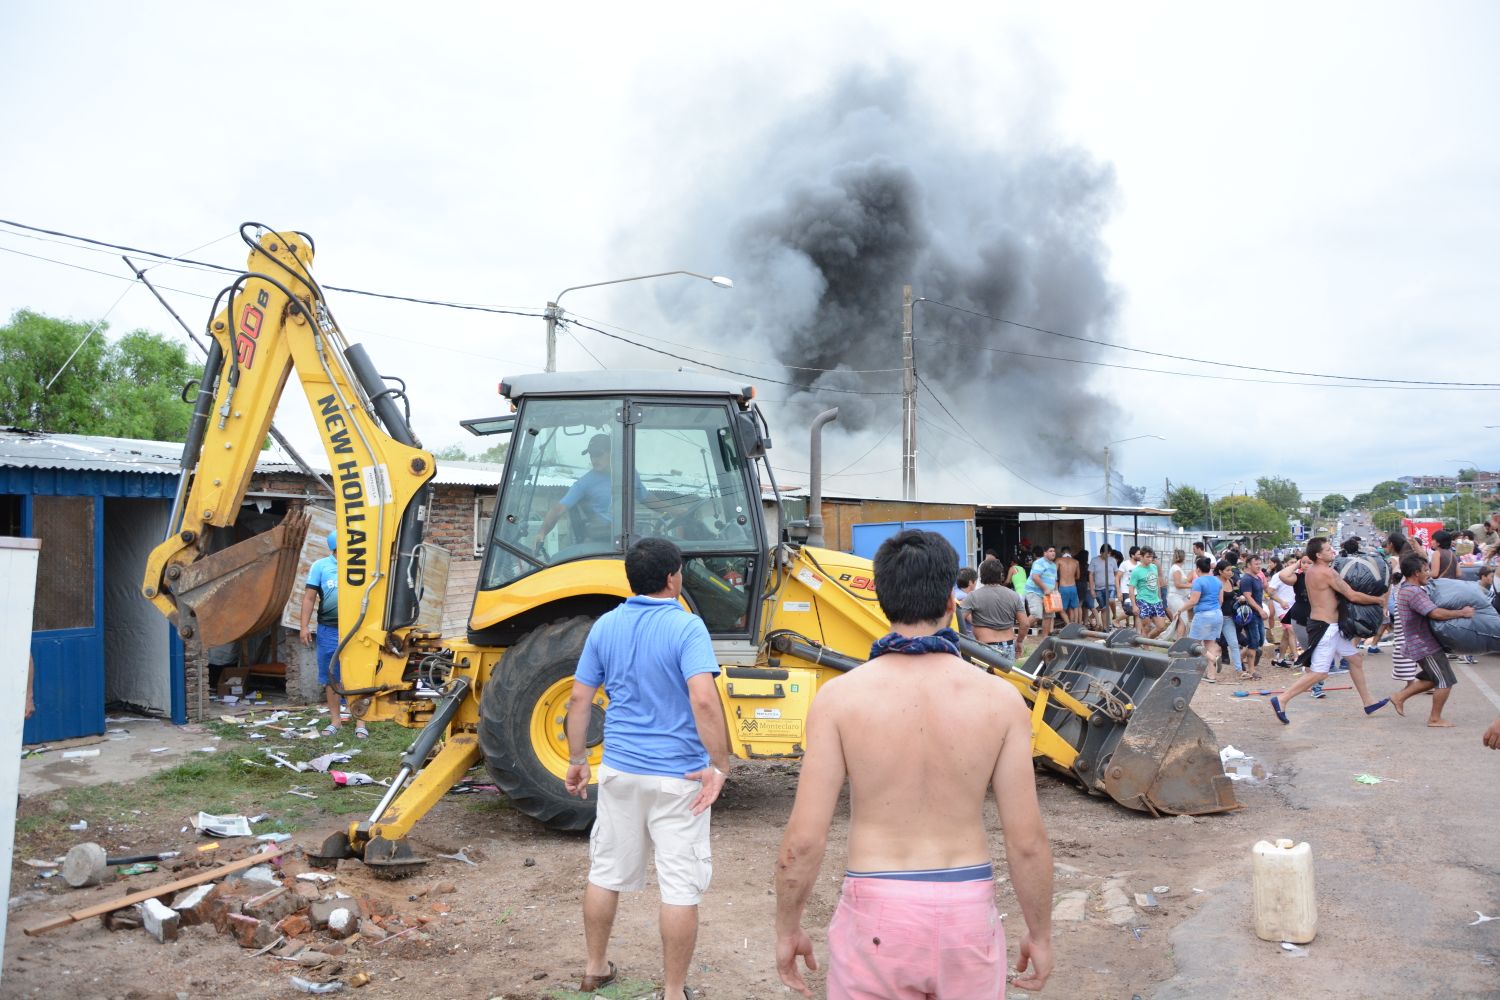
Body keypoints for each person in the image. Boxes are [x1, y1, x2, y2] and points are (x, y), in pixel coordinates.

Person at [774, 530, 1053, 999]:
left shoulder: (839, 699)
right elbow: (1026, 841)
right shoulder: (1001, 701)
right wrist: (1039, 934)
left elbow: (803, 840)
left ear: (882, 599)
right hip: (967, 913)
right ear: (951, 600)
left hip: (876, 914)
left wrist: (788, 929)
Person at [565, 537, 731, 1000]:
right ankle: (674, 992)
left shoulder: (606, 626)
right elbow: (702, 697)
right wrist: (719, 764)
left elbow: (580, 698)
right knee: (679, 886)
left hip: (619, 770)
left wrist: (578, 760)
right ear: (672, 578)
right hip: (680, 778)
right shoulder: (687, 627)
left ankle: (594, 968)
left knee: (605, 872)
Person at [1269, 538, 1389, 724]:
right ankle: (1282, 699)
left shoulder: (1312, 571)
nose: (1331, 551)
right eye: (1327, 549)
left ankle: (1368, 702)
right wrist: (1378, 600)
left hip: (1327, 625)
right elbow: (1352, 595)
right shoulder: (1326, 572)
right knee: (1319, 673)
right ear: (1318, 554)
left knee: (1355, 660)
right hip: (1326, 627)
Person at [532, 433, 667, 550]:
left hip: (628, 538)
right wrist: (542, 532)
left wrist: (674, 511)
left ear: (612, 453)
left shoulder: (629, 474)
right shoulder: (585, 482)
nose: (594, 459)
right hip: (601, 541)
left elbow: (646, 497)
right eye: (591, 455)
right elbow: (558, 509)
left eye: (598, 454)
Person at [1389, 551, 1473, 726]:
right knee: (1445, 681)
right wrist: (1462, 613)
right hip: (1424, 645)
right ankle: (1434, 718)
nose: (1429, 573)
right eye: (1425, 570)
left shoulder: (1408, 589)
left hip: (1421, 643)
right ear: (1416, 573)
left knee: (1430, 679)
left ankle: (1399, 697)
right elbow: (1435, 613)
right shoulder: (1413, 592)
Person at [299, 531, 368, 738]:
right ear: (336, 548)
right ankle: (335, 721)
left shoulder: (361, 566)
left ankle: (361, 723)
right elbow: (309, 598)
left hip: (357, 629)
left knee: (359, 676)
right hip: (328, 629)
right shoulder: (321, 566)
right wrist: (304, 626)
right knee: (331, 676)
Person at [961, 558, 1025, 659]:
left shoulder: (973, 596)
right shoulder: (1014, 596)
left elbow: (958, 618)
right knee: (1004, 675)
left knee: (984, 675)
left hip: (985, 647)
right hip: (1008, 646)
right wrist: (1019, 641)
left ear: (981, 576)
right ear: (1001, 575)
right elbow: (1025, 623)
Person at [1186, 555, 1227, 675]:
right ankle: (1211, 675)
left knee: (1194, 644)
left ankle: (1199, 669)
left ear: (1198, 569)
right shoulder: (1217, 580)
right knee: (1210, 644)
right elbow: (1221, 601)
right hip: (1217, 614)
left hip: (1203, 615)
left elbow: (1193, 601)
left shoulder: (1198, 581)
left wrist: (1180, 610)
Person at [1238, 554, 1270, 676]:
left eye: (1259, 563)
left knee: (1260, 640)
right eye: (1256, 564)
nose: (1258, 566)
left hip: (1257, 613)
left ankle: (1239, 658)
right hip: (1250, 614)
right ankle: (1251, 670)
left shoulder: (1257, 578)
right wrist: (1260, 610)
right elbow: (1248, 597)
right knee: (1254, 640)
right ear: (1249, 565)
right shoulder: (1247, 579)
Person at [1025, 545, 1060, 645]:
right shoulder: (1039, 562)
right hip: (1035, 592)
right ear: (1045, 553)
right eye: (1050, 551)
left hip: (1048, 593)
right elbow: (1035, 577)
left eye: (1054, 551)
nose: (1053, 553)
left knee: (1048, 615)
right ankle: (1022, 633)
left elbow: (1054, 581)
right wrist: (1045, 588)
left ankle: (1044, 639)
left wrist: (1056, 591)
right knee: (1036, 614)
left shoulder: (1053, 565)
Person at [1129, 547, 1167, 638]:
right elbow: (1131, 588)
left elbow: (1157, 582)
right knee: (1146, 627)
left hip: (1156, 600)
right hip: (1143, 600)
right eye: (1148, 557)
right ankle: (1146, 648)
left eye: (1151, 557)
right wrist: (1134, 605)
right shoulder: (1136, 571)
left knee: (1161, 627)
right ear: (1141, 557)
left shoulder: (1154, 567)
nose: (1150, 559)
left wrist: (1160, 598)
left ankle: (1145, 641)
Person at [1166, 549, 1193, 638]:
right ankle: (1179, 640)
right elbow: (1178, 584)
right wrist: (1191, 586)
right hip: (1175, 597)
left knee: (1181, 619)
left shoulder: (1177, 568)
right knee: (1183, 620)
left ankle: (1178, 638)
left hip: (1179, 596)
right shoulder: (1176, 569)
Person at [1090, 544, 1118, 629]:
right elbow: (1091, 575)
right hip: (1099, 588)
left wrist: (1117, 586)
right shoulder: (1094, 560)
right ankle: (1105, 628)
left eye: (1109, 553)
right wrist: (1092, 589)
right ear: (1101, 552)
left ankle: (1114, 616)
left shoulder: (1112, 560)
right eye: (1106, 553)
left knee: (1111, 600)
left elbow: (1116, 573)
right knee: (1103, 608)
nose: (1107, 555)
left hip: (1111, 586)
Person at [1056, 545, 1081, 625]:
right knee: (1073, 607)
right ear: (1070, 552)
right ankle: (1075, 624)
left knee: (1061, 609)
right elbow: (1078, 576)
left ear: (1062, 552)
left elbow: (1054, 574)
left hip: (1063, 587)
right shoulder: (1076, 562)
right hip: (1073, 587)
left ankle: (1068, 624)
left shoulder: (1059, 560)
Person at [1117, 547, 1139, 627]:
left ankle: (1136, 630)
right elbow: (1117, 577)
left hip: (1137, 591)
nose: (1140, 556)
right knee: (1129, 610)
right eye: (1138, 554)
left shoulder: (1140, 565)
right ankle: (1116, 620)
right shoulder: (1125, 564)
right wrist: (1119, 591)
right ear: (1132, 555)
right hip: (1126, 590)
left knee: (1137, 612)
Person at [953, 567, 978, 639]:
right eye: (976, 580)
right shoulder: (965, 598)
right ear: (970, 582)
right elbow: (972, 620)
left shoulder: (955, 593)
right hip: (966, 637)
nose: (976, 583)